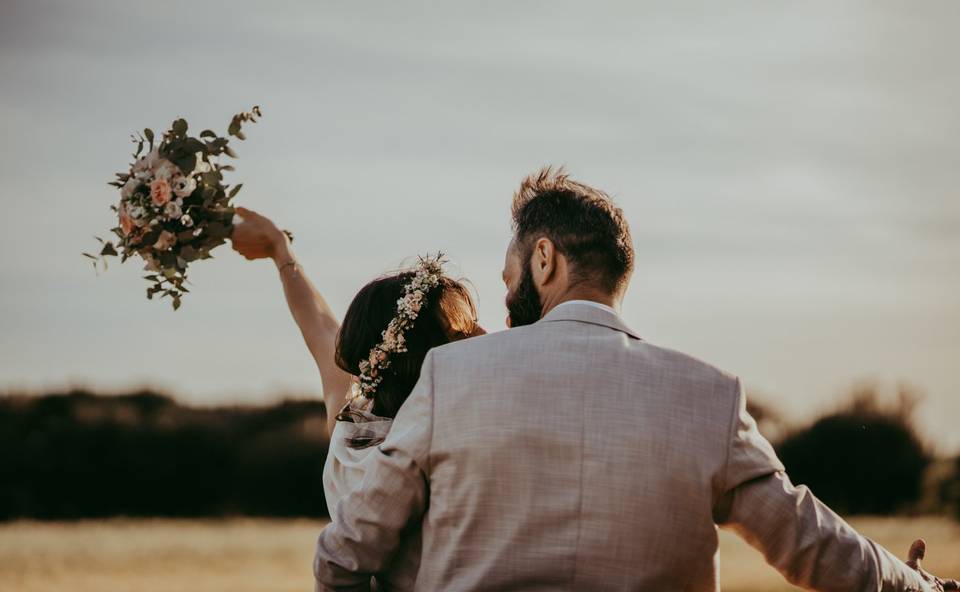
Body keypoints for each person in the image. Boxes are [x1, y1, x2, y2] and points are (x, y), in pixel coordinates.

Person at [311, 168, 957, 591]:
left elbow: (346, 554)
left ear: (545, 258)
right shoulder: (710, 396)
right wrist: (919, 589)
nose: (506, 304)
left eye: (509, 281)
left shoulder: (447, 377)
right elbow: (808, 539)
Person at [230, 207, 485, 590]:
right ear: (420, 354)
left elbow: (318, 325)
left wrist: (282, 254)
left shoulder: (350, 421)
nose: (482, 333)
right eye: (460, 332)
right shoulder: (444, 445)